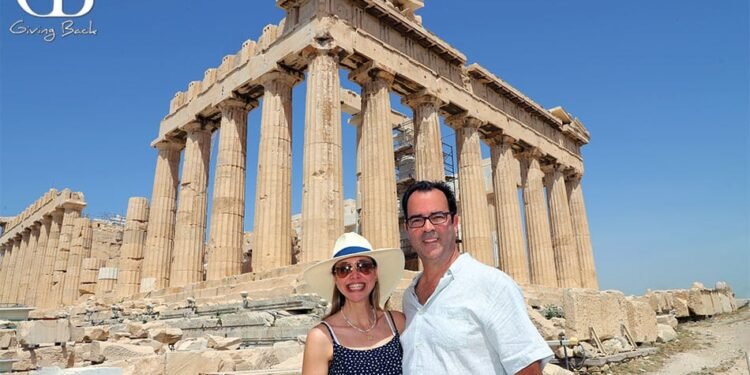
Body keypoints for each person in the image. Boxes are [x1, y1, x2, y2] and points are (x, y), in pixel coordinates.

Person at [400, 180, 553, 375]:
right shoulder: (409, 298)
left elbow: (527, 369)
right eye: (417, 220)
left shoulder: (492, 285)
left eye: (438, 217)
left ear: (455, 223)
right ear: (407, 228)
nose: (428, 227)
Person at [302, 232, 406, 375]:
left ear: (375, 273)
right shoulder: (321, 337)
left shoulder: (398, 323)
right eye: (344, 269)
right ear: (335, 279)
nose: (355, 275)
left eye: (364, 266)